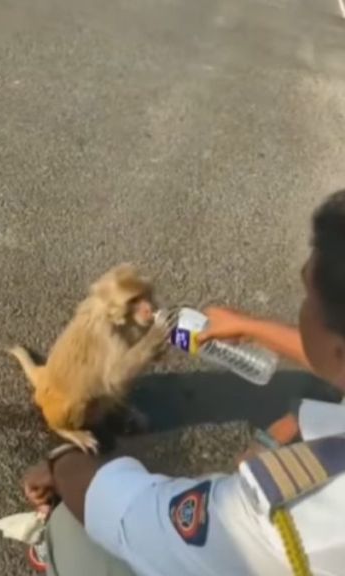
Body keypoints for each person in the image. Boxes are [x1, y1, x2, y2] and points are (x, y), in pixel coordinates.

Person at [19, 190, 345, 575]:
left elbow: (130, 514)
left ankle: (50, 544)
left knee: (72, 525)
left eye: (307, 294)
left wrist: (59, 464)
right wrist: (252, 328)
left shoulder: (279, 512)